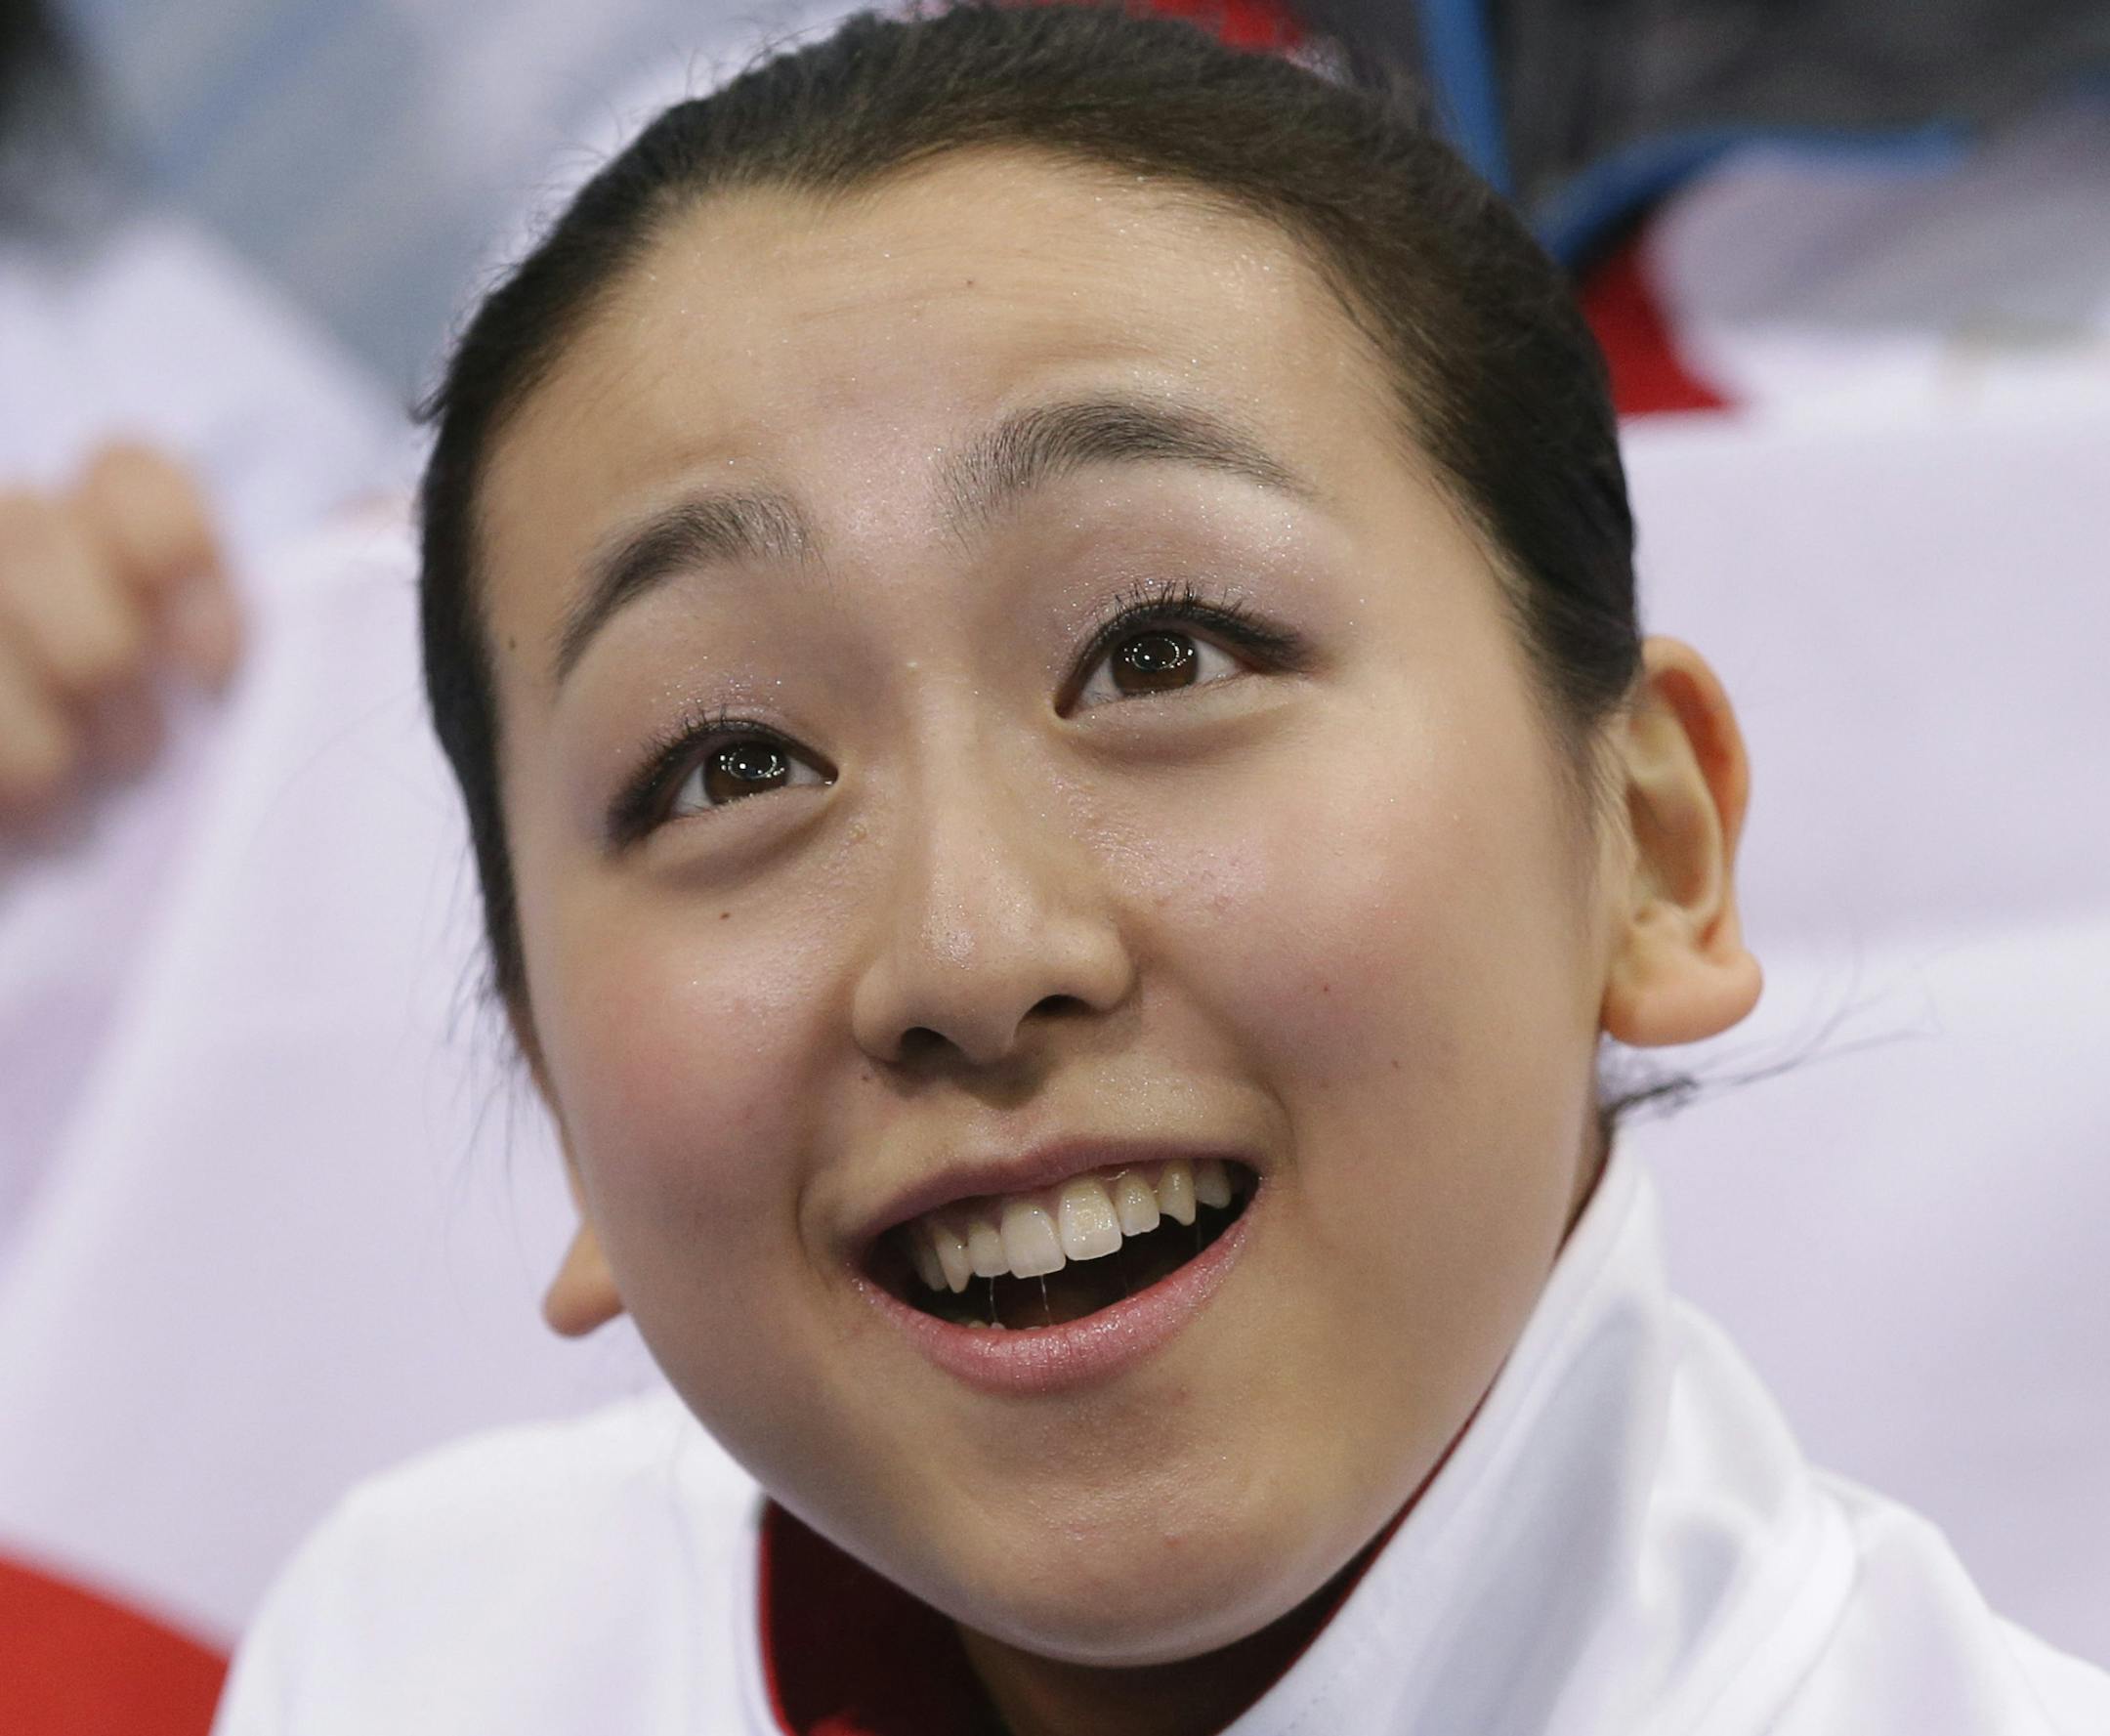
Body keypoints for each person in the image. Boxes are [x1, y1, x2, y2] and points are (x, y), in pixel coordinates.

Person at [210, 7, 2110, 1733]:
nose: (967, 947)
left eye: (1163, 652)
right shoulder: (414, 1659)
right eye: (734, 761)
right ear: (554, 1071)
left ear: (1652, 847)